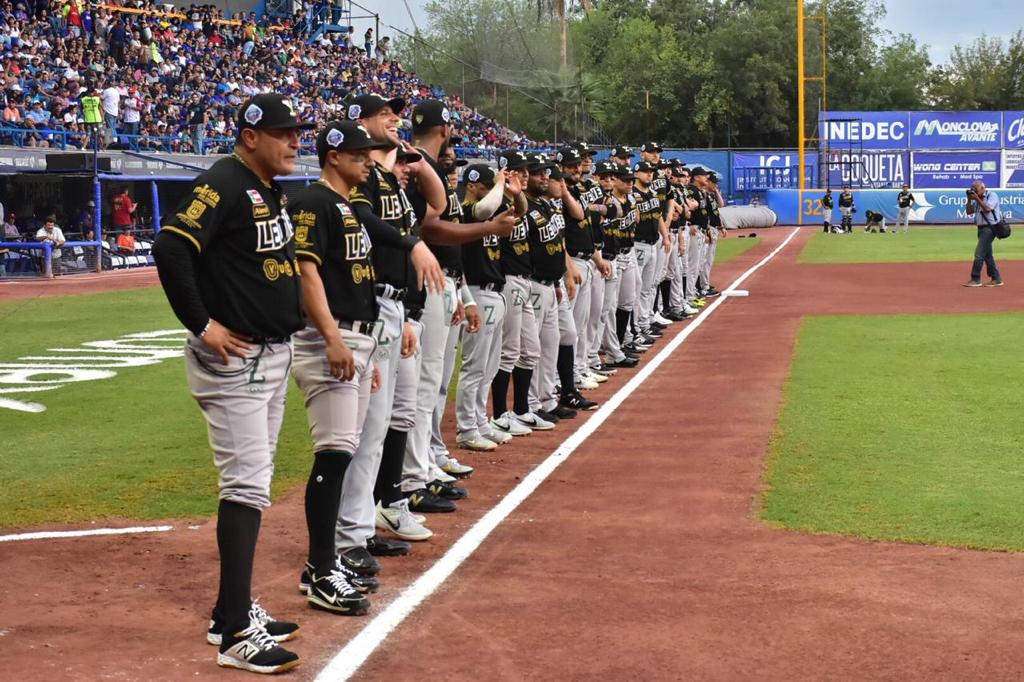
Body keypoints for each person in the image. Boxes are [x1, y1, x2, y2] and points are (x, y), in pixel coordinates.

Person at [151, 93, 311, 674]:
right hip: (236, 356)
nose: (295, 140)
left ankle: (230, 610)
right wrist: (203, 323)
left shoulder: (267, 188)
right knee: (246, 486)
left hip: (269, 353)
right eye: (283, 132)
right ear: (249, 136)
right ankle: (239, 633)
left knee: (256, 480)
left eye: (298, 131)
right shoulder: (222, 182)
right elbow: (170, 246)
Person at [290, 119, 423, 615]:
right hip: (334, 336)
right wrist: (332, 337)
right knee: (334, 454)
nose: (370, 160)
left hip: (358, 336)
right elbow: (305, 271)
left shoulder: (345, 205)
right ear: (333, 156)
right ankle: (321, 569)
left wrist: (366, 347)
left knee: (343, 450)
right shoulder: (313, 202)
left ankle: (324, 563)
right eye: (360, 153)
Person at [964, 181, 1003, 287]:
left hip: (990, 228)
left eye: (975, 189)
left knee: (979, 254)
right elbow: (969, 212)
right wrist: (969, 199)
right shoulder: (977, 198)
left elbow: (987, 209)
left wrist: (977, 198)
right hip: (980, 228)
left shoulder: (992, 195)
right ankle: (996, 278)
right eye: (972, 189)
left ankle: (975, 279)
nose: (974, 191)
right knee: (987, 255)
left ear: (982, 188)